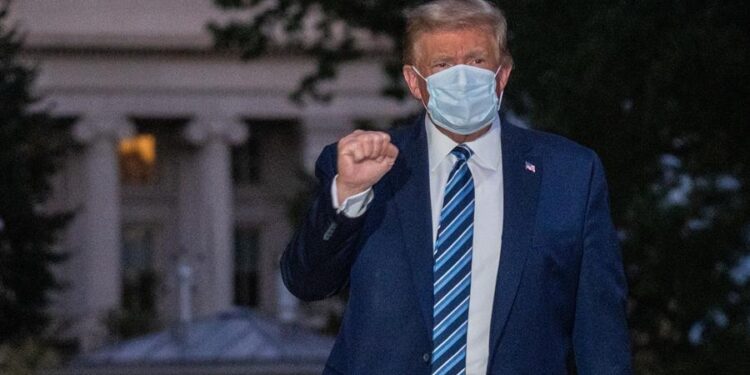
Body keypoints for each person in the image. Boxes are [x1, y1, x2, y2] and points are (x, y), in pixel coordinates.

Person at [281, 0, 632, 373]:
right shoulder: (370, 167)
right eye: (443, 64)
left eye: (477, 61)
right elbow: (307, 283)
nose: (462, 77)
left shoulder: (570, 174)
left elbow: (601, 331)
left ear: (502, 75)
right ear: (415, 82)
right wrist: (348, 195)